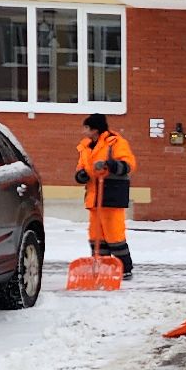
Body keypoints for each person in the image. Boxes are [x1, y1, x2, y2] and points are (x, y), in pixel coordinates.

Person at [74, 113, 137, 279]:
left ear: (95, 129)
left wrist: (110, 165)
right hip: (94, 196)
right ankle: (101, 266)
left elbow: (128, 164)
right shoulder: (85, 147)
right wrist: (81, 175)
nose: (84, 131)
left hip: (112, 194)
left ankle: (124, 267)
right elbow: (81, 167)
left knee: (114, 234)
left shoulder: (115, 143)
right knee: (96, 235)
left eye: (86, 127)